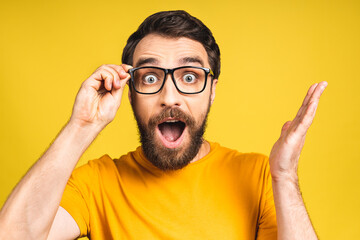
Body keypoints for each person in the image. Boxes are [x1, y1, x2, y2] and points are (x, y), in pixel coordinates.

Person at [0, 10, 327, 240]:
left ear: (212, 91)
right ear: (129, 94)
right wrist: (82, 125)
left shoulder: (257, 175)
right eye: (151, 77)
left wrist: (284, 176)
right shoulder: (96, 184)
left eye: (189, 77)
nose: (170, 97)